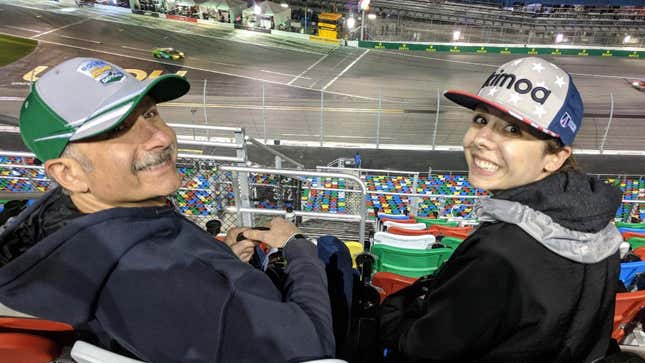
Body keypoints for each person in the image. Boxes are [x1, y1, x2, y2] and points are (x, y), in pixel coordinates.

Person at [0, 57, 334, 362]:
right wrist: (298, 247)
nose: (159, 137)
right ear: (69, 173)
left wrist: (222, 262)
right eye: (117, 129)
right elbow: (313, 344)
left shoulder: (71, 227)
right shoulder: (167, 281)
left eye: (149, 113)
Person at [380, 57, 623, 362]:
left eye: (512, 130)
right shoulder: (603, 230)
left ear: (555, 158)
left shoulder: (498, 252)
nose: (482, 139)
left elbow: (423, 347)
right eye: (481, 120)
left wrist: (392, 311)